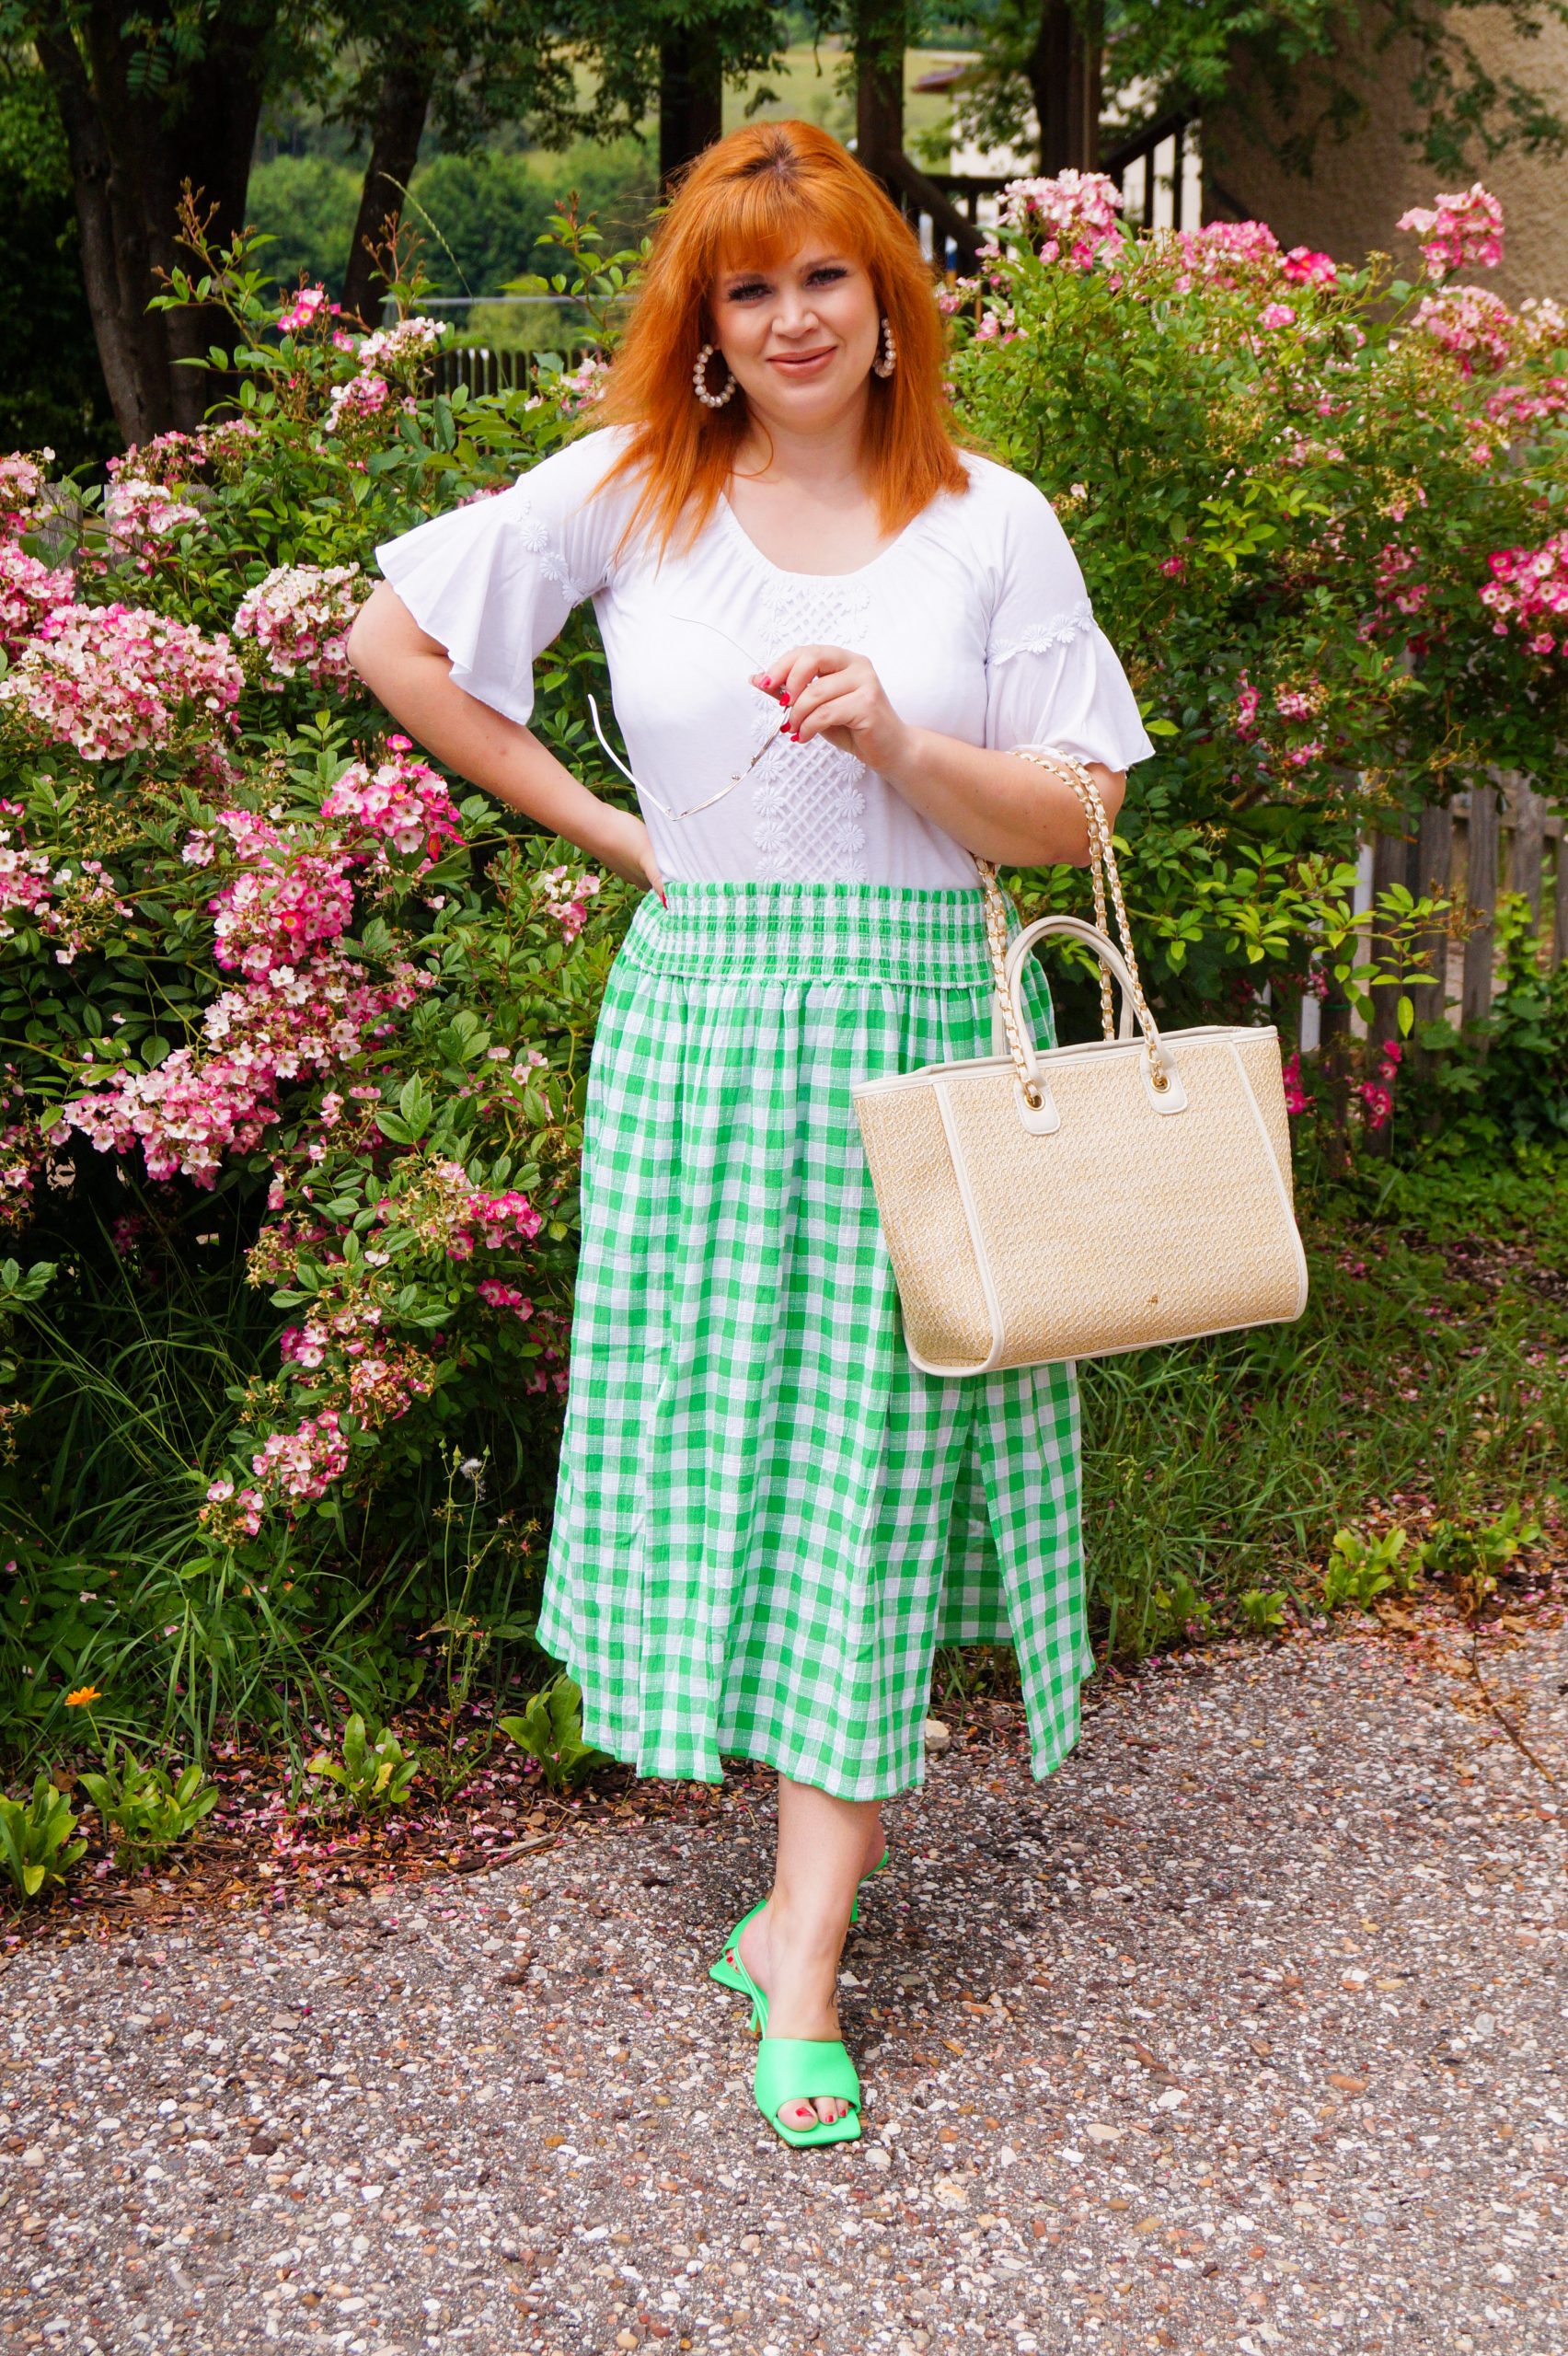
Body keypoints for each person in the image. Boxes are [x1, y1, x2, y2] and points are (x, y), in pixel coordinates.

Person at [348, 117, 1157, 2148]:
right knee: (742, 1463)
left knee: (875, 1485)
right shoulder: (638, 492)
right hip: (708, 1041)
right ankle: (791, 1892)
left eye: (825, 276)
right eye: (748, 286)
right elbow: (396, 646)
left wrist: (896, 733)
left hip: (925, 1038)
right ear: (705, 327)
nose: (792, 315)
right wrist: (622, 833)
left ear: (888, 302)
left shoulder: (991, 519)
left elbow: (1080, 815)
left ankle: (801, 1948)